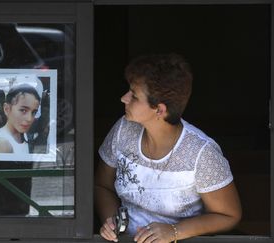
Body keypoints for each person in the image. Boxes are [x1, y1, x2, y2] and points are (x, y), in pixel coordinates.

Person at [95, 53, 241, 243]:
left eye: (134, 95)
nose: (124, 98)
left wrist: (175, 231)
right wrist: (112, 222)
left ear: (160, 110)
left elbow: (229, 216)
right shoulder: (124, 129)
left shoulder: (201, 153)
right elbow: (101, 185)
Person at [0, 83, 41, 153]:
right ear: (7, 109)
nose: (29, 119)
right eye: (23, 110)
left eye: (33, 112)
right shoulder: (3, 143)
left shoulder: (23, 134)